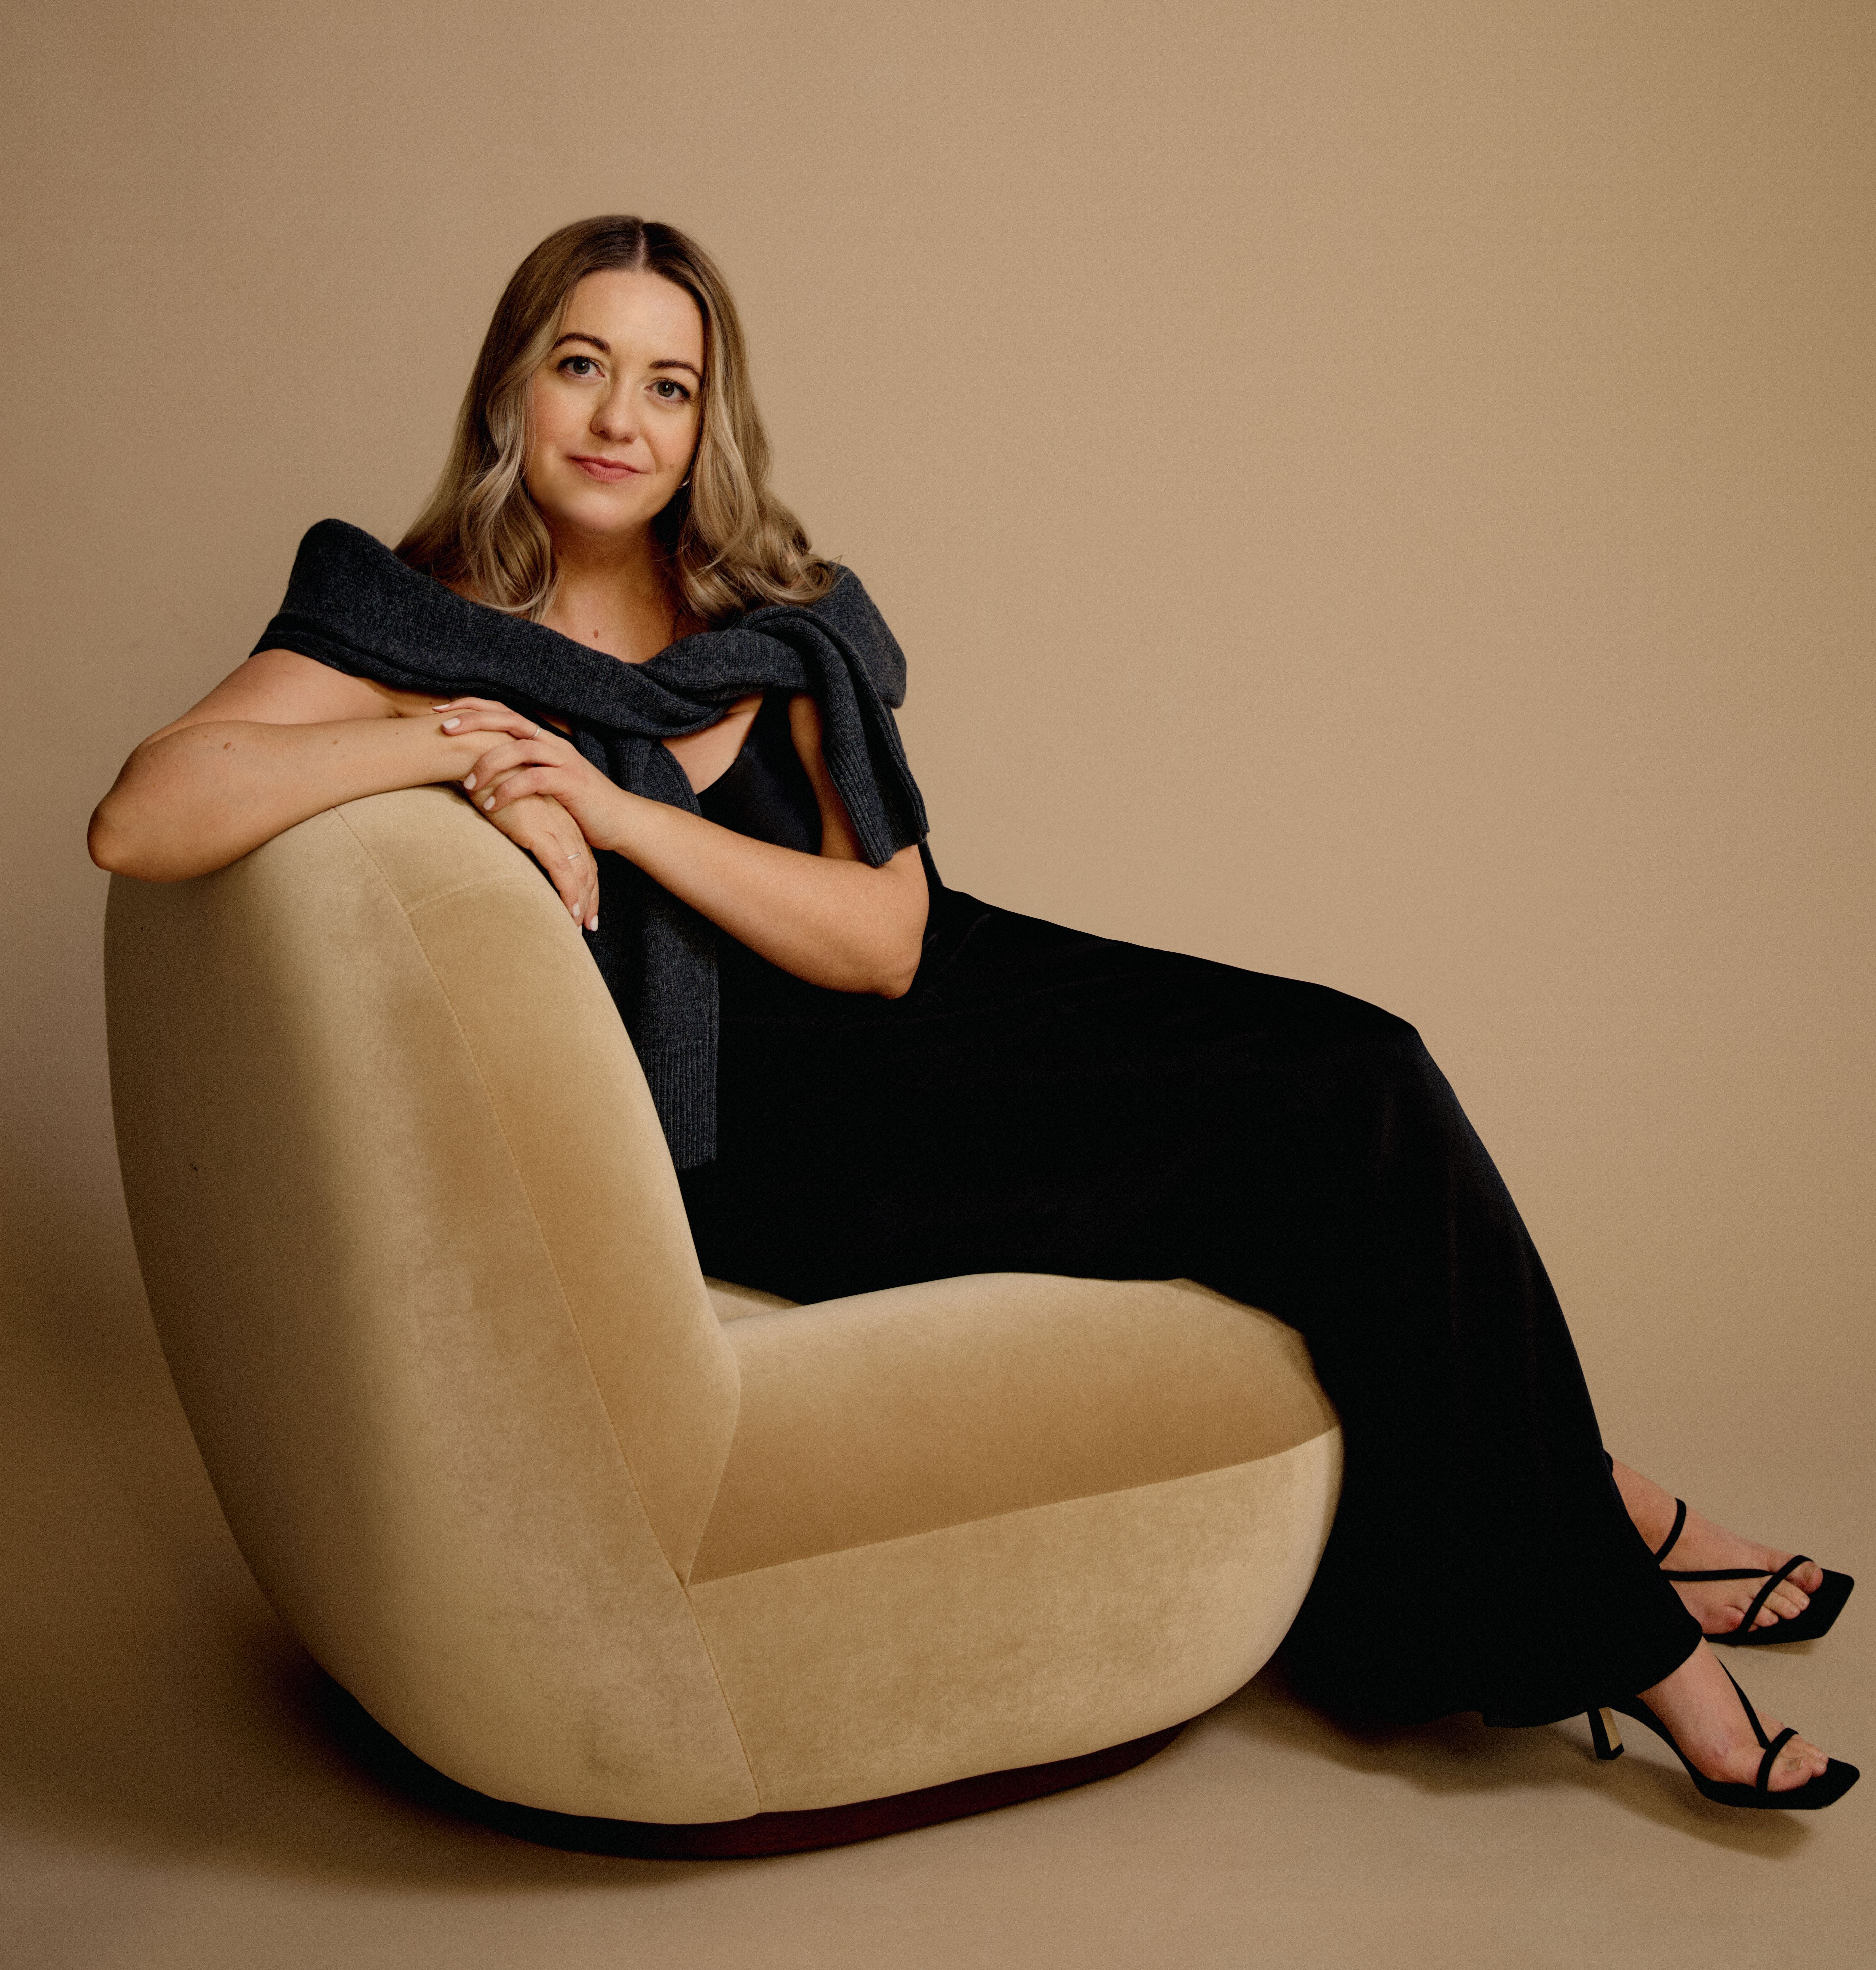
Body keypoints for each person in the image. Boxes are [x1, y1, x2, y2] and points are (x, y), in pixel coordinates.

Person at [89, 215, 1855, 1811]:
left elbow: (885, 938)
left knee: (1358, 1065)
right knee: (1309, 1137)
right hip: (770, 1123)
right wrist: (448, 733)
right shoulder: (413, 610)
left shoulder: (769, 618)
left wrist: (618, 812)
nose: (623, 419)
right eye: (582, 365)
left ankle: (1586, 1512)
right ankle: (1634, 1634)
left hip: (937, 993)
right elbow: (142, 812)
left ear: (713, 423)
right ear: (512, 388)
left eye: (670, 383)